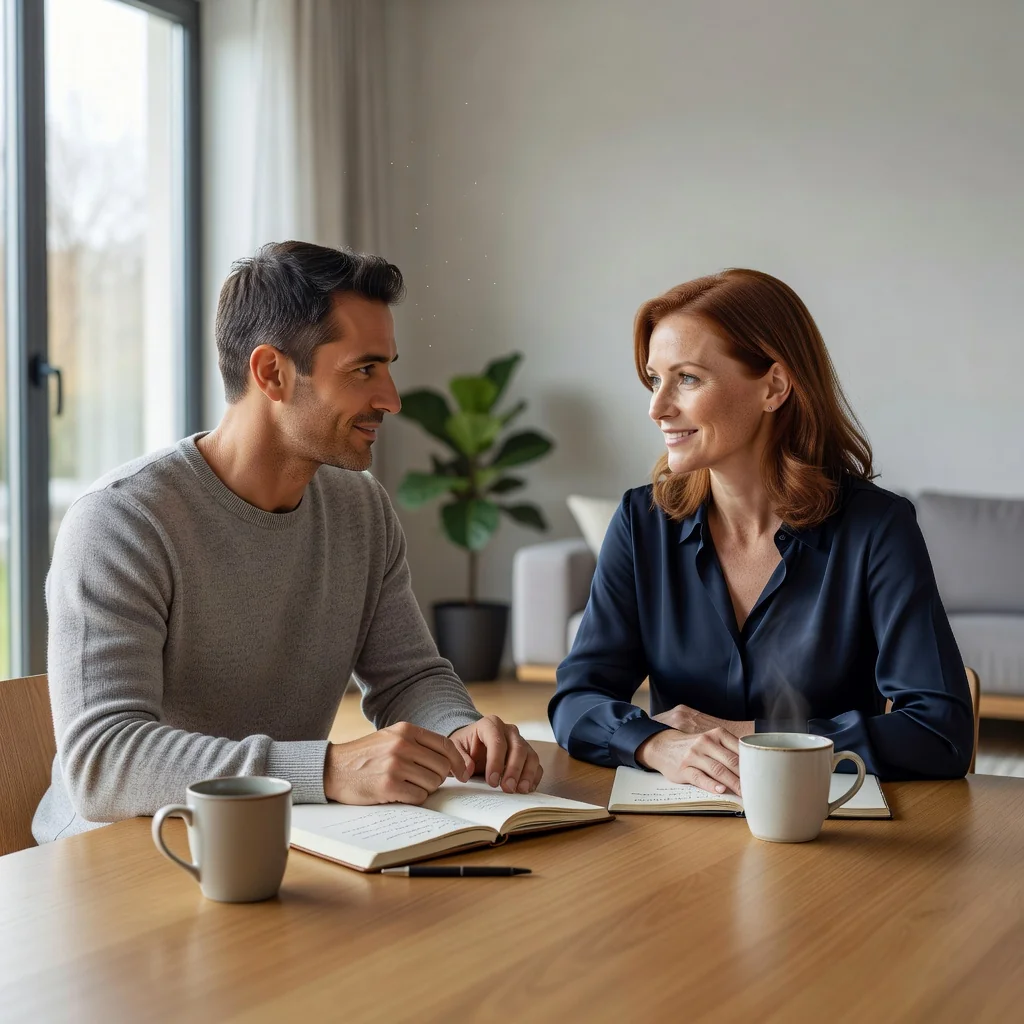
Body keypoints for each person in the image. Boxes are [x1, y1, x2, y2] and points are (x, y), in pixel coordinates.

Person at [34, 240, 541, 844]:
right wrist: (326, 768)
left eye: (388, 366)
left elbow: (407, 678)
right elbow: (104, 764)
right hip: (116, 857)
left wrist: (460, 730)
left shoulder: (361, 509)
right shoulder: (123, 522)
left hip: (275, 837)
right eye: (364, 370)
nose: (392, 398)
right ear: (271, 372)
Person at [549, 269, 973, 791]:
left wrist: (757, 739)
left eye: (687, 378)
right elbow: (576, 699)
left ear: (773, 386)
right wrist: (656, 744)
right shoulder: (643, 523)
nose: (657, 407)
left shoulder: (877, 528)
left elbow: (941, 733)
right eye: (654, 380)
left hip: (830, 834)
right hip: (674, 836)